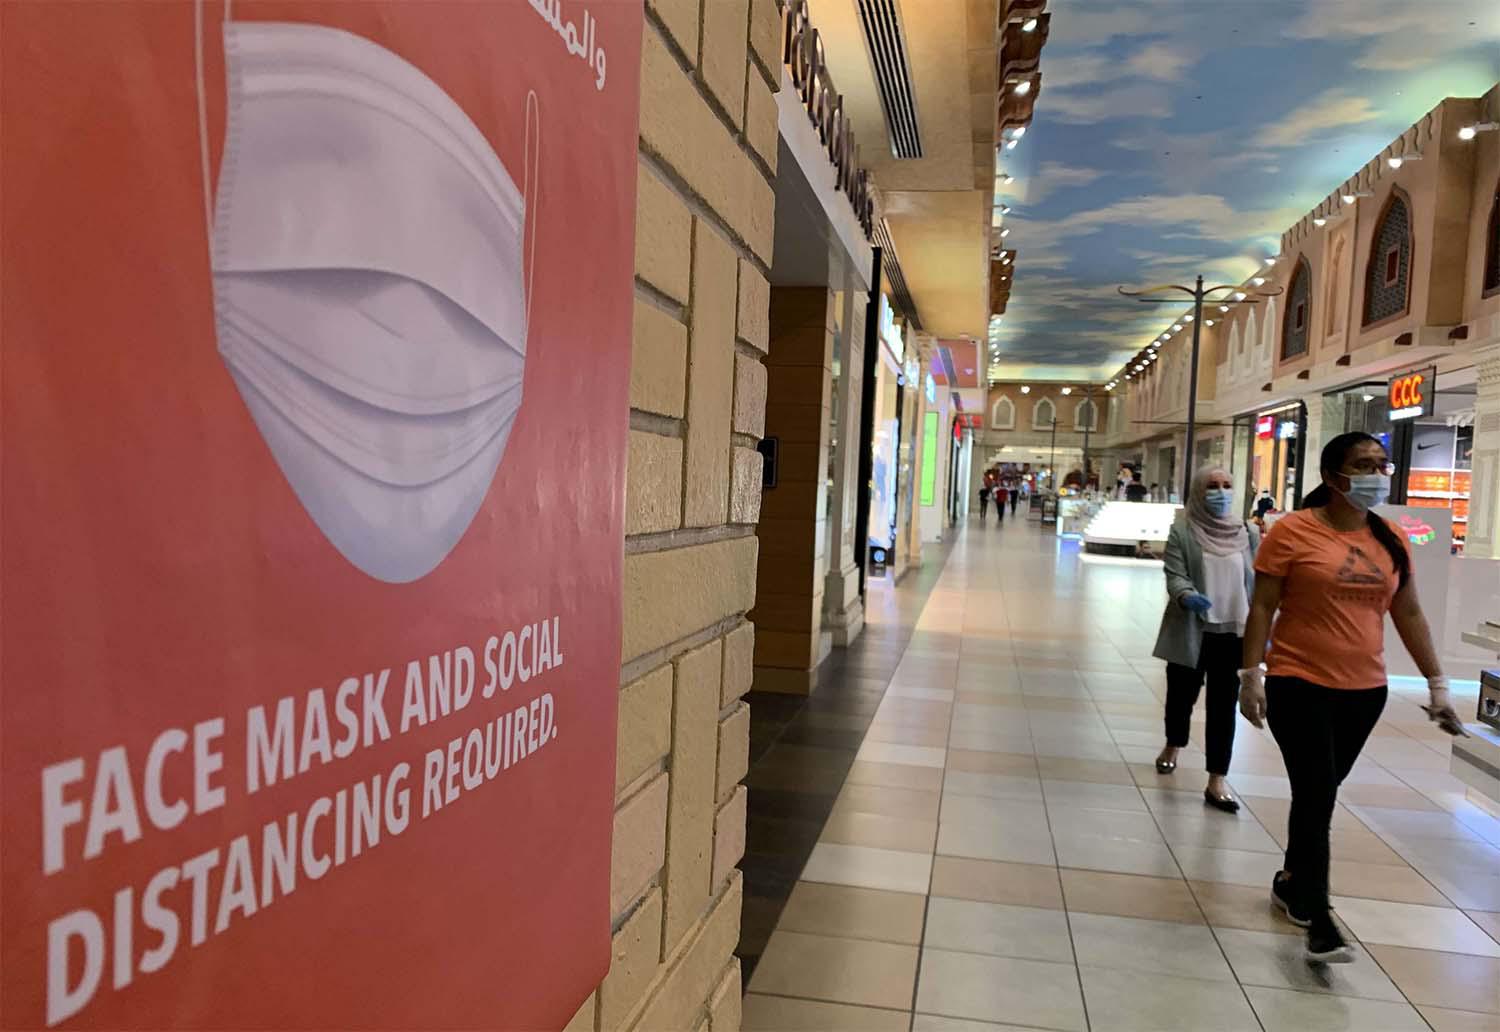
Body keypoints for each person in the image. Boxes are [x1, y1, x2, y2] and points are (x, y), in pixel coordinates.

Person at [1240, 432, 1462, 965]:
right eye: (1364, 465)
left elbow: (1407, 614)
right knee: (1318, 792)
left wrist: (1437, 685)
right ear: (1332, 476)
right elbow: (1263, 606)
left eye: (1382, 464)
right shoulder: (1292, 531)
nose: (1378, 474)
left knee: (1319, 793)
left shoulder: (1389, 540)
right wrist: (1251, 674)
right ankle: (1320, 919)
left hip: (1365, 692)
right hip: (1299, 681)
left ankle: (1292, 881)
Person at [1152, 467, 1258, 814]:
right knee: (1181, 695)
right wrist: (1186, 595)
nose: (1221, 492)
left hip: (1234, 633)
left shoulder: (1248, 533)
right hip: (1192, 628)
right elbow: (1175, 573)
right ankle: (1174, 744)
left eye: (1227, 486)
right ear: (1199, 491)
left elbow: (1259, 583)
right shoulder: (1182, 530)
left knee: (1223, 706)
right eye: (1212, 486)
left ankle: (1217, 779)